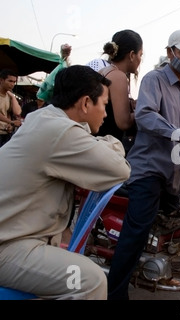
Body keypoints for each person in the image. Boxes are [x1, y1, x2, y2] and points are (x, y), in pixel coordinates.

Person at [0, 65, 131, 300]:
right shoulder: (60, 131)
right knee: (89, 280)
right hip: (8, 248)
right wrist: (113, 143)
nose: (104, 113)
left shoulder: (43, 119)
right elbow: (119, 169)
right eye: (103, 105)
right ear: (85, 104)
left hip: (17, 239)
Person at [107, 29, 180, 300]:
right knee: (135, 234)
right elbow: (146, 116)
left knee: (178, 226)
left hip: (173, 171)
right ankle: (114, 293)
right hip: (148, 169)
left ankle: (161, 268)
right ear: (170, 51)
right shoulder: (154, 79)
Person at [96, 30, 143, 155]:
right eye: (140, 54)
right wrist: (143, 109)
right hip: (107, 148)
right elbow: (124, 122)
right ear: (132, 55)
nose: (140, 60)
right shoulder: (118, 76)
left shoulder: (104, 70)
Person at [0, 69, 22, 147]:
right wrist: (11, 122)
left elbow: (17, 112)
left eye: (14, 82)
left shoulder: (9, 96)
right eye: (10, 81)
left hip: (6, 133)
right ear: (1, 80)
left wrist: (13, 97)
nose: (12, 84)